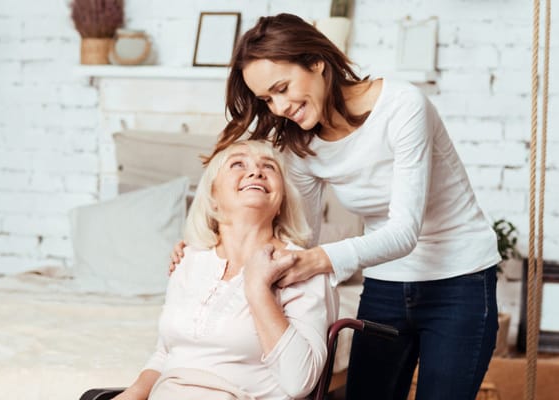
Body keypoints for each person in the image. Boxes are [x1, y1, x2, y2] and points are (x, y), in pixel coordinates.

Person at [170, 13, 501, 400]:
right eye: (266, 99)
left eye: (282, 88)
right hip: (386, 284)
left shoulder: (403, 106)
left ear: (316, 63)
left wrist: (315, 260)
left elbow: (403, 233)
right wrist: (204, 252)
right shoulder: (302, 145)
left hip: (459, 280)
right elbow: (297, 237)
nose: (278, 107)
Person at [115, 140, 338, 400]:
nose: (256, 172)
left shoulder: (302, 266)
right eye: (238, 164)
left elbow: (300, 382)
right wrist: (128, 396)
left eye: (269, 167)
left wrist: (258, 290)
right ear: (213, 197)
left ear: (281, 202)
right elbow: (166, 352)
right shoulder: (188, 259)